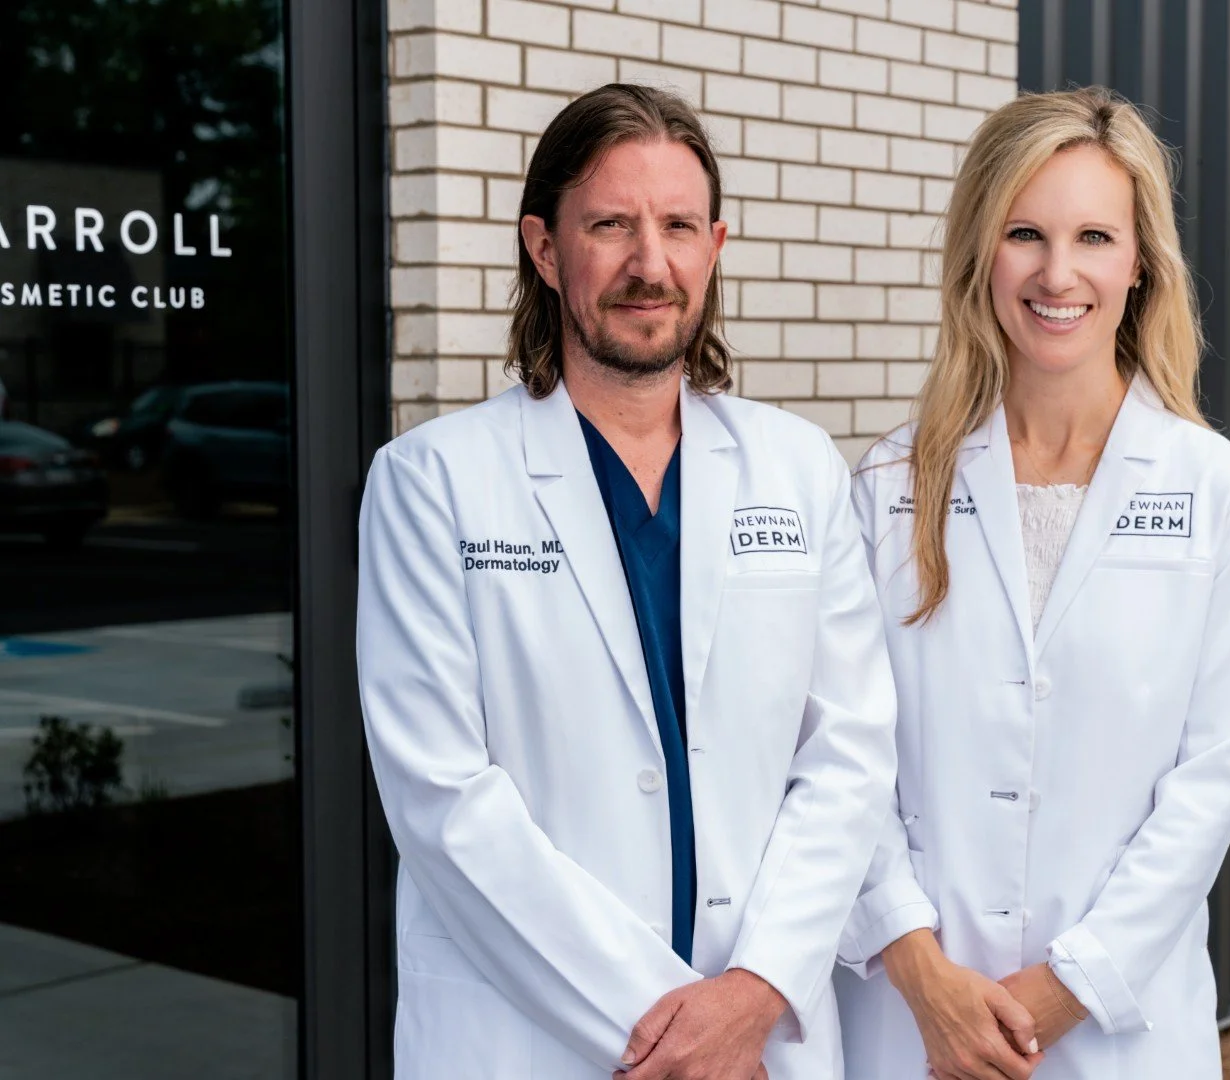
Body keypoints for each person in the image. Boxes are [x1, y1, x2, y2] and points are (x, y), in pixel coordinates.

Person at [357, 83, 897, 1080]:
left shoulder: (800, 468)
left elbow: (849, 758)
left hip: (760, 1032)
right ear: (545, 249)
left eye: (678, 226)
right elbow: (445, 804)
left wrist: (755, 994)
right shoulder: (432, 483)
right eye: (611, 224)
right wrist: (673, 1030)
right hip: (534, 1038)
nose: (651, 264)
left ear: (715, 247)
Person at [833, 86, 1230, 1080]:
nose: (1057, 272)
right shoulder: (886, 486)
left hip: (1119, 1031)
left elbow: (1207, 788)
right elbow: (840, 754)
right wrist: (919, 969)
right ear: (979, 254)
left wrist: (1063, 990)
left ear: (1139, 265)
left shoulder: (1218, 495)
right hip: (908, 1024)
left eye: (1093, 236)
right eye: (1025, 233)